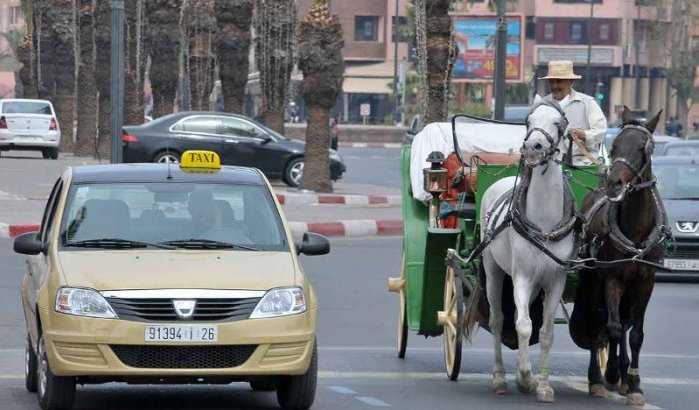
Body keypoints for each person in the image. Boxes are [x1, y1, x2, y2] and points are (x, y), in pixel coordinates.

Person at [540, 60, 607, 165]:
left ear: (571, 82)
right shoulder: (542, 105)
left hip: (582, 163)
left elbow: (601, 132)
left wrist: (583, 135)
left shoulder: (588, 103)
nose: (554, 86)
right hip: (549, 164)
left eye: (559, 81)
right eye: (552, 82)